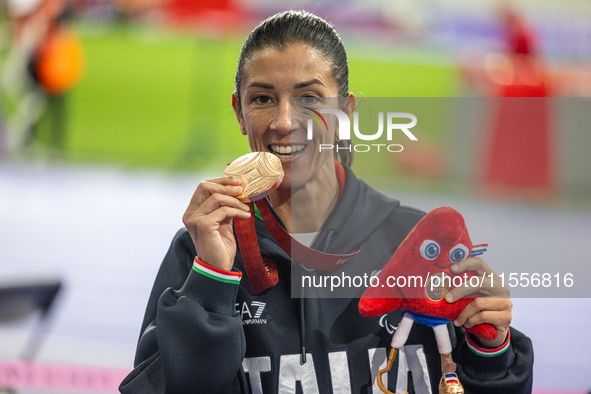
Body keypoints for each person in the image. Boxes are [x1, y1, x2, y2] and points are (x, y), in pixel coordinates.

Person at [119, 10, 533, 394]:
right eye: (262, 98)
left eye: (310, 98)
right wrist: (211, 280)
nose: (284, 122)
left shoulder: (416, 242)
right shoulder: (201, 250)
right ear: (240, 112)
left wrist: (490, 350)